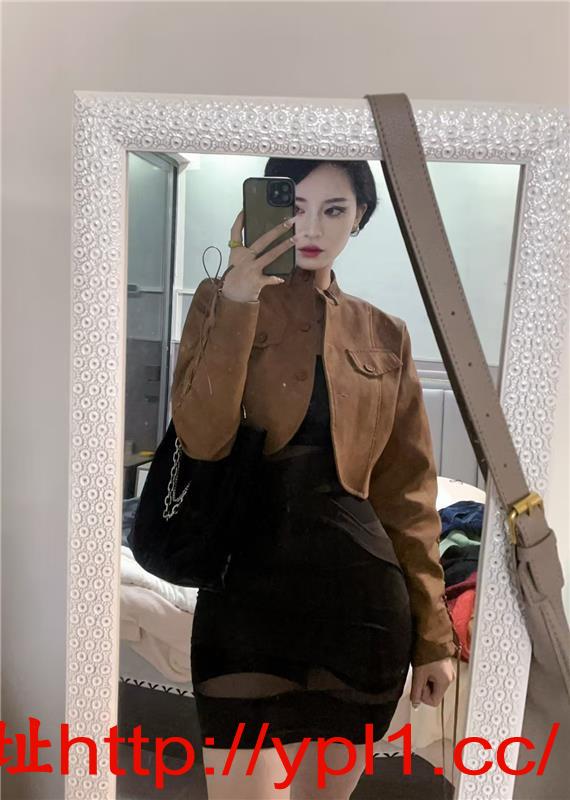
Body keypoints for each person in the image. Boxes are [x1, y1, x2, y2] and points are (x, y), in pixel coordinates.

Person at [171, 158, 459, 799]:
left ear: (359, 218)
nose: (312, 227)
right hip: (244, 599)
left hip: (361, 608)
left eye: (335, 209)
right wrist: (239, 300)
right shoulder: (220, 302)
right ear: (266, 209)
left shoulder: (385, 334)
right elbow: (202, 438)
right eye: (295, 206)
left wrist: (434, 637)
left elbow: (408, 497)